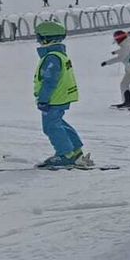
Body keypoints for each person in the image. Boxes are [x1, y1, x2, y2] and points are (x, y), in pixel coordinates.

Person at [33, 20, 91, 169]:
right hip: (61, 97)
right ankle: (75, 149)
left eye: (39, 37)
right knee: (58, 122)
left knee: (51, 126)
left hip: (54, 98)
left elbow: (49, 80)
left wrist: (43, 99)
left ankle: (65, 154)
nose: (38, 41)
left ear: (46, 38)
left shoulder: (52, 57)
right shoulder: (59, 55)